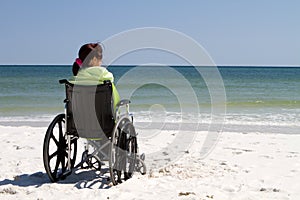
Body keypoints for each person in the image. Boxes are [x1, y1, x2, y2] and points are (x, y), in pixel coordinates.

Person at [70, 43, 120, 110]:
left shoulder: (75, 79)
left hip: (78, 118)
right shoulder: (103, 74)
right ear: (95, 59)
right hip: (103, 117)